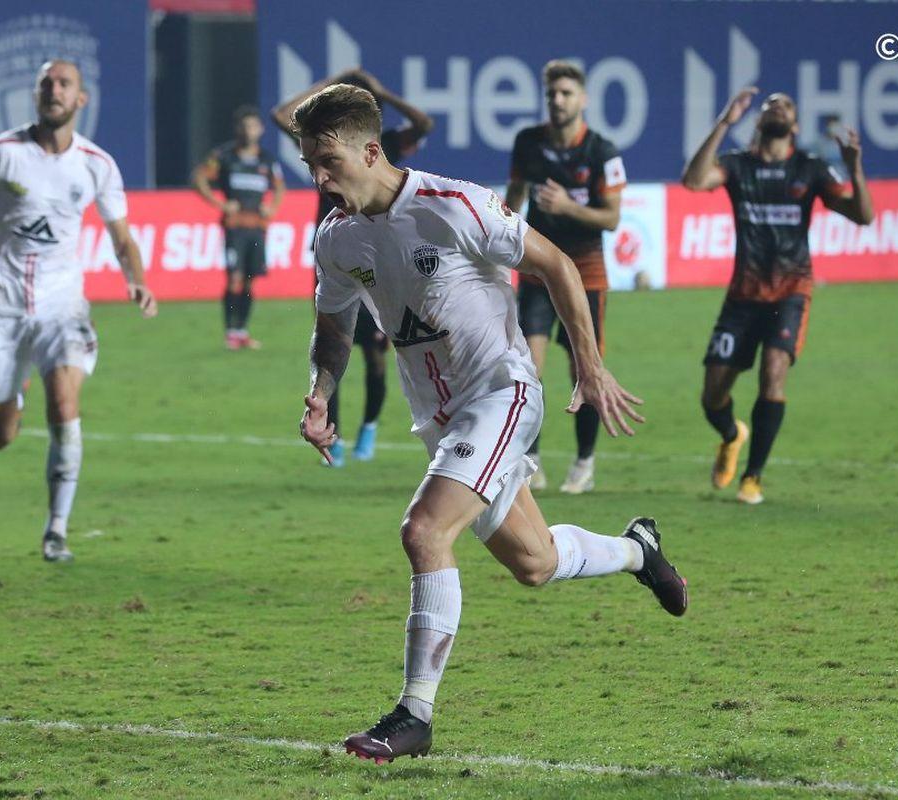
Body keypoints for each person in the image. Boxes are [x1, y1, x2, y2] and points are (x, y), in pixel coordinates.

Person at [294, 84, 687, 762]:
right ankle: (638, 551)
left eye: (329, 162)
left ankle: (414, 715)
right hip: (442, 420)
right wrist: (323, 389)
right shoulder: (336, 238)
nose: (319, 179)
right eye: (310, 165)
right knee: (534, 563)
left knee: (423, 530)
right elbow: (333, 324)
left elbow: (557, 266)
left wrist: (589, 368)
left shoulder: (455, 207)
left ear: (371, 149)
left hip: (501, 393)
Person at [0, 60, 157, 562]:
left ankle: (56, 530)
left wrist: (137, 280)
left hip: (63, 307)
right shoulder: (2, 154)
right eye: (46, 83)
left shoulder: (97, 165)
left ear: (81, 99)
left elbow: (122, 237)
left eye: (63, 84)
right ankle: (10, 396)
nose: (53, 90)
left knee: (64, 405)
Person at [682, 88, 872, 504]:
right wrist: (724, 122)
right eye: (771, 105)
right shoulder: (737, 165)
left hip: (791, 292)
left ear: (796, 125)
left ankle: (753, 477)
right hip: (742, 298)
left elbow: (863, 215)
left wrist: (855, 169)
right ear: (759, 121)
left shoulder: (810, 168)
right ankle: (732, 435)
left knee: (774, 370)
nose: (778, 108)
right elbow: (693, 180)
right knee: (712, 394)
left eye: (786, 105)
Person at [273, 68, 433, 466]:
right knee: (331, 343)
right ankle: (335, 432)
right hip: (336, 255)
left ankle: (369, 428)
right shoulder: (325, 143)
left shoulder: (384, 142)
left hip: (382, 255)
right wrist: (326, 89)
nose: (322, 174)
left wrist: (382, 92)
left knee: (376, 357)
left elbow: (424, 123)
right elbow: (284, 116)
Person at [505, 60, 627, 494]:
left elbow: (611, 218)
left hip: (586, 273)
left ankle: (584, 462)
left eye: (566, 93)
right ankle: (530, 458)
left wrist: (566, 206)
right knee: (528, 367)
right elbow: (513, 201)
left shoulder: (602, 152)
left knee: (584, 367)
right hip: (539, 270)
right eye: (552, 94)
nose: (558, 100)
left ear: (583, 99)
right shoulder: (527, 143)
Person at [193, 105, 285, 350]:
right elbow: (199, 177)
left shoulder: (266, 159)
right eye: (245, 127)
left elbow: (279, 187)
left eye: (253, 126)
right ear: (238, 130)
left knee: (249, 280)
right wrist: (220, 203)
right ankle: (230, 332)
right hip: (235, 228)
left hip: (257, 227)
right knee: (234, 277)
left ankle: (242, 331)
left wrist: (272, 207)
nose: (249, 131)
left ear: (261, 130)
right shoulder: (224, 156)